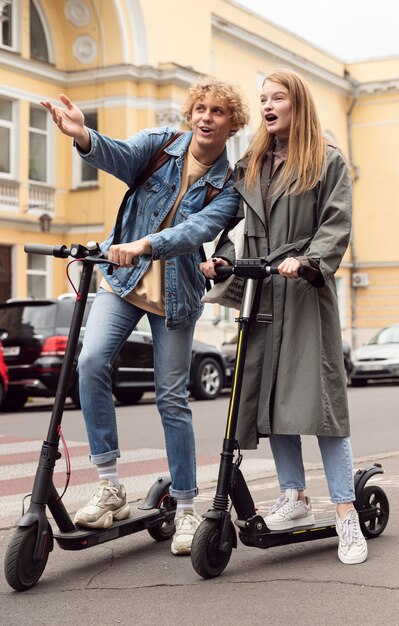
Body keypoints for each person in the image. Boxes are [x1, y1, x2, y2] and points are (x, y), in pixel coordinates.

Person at [41, 77, 249, 555]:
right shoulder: (160, 144)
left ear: (232, 122)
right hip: (124, 283)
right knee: (90, 363)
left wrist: (145, 245)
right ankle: (110, 485)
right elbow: (117, 155)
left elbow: (198, 228)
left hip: (176, 296)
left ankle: (187, 506)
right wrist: (83, 136)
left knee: (171, 399)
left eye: (217, 111)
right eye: (200, 107)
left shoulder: (231, 187)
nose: (205, 117)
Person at [200, 69, 367, 565]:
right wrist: (222, 257)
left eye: (278, 98)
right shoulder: (250, 164)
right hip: (261, 295)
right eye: (264, 99)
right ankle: (293, 497)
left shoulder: (326, 161)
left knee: (320, 406)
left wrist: (310, 260)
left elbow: (337, 222)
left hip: (305, 295)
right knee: (272, 403)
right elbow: (227, 220)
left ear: (298, 105)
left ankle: (345, 514)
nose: (269, 106)